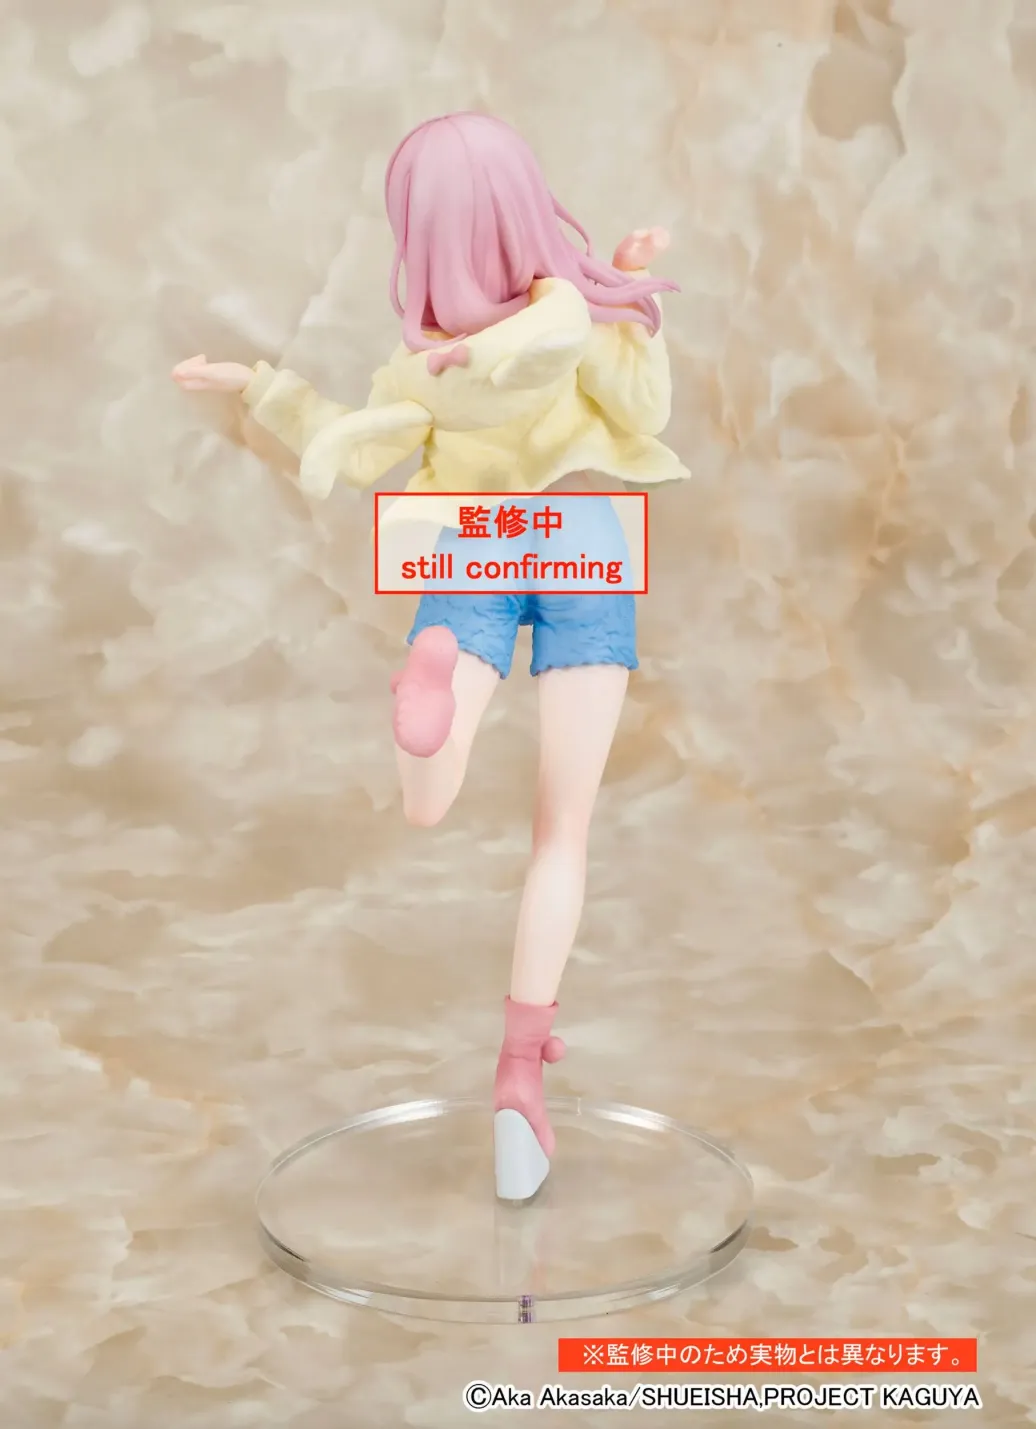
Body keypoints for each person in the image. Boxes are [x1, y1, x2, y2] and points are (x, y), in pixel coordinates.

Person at [173, 111, 690, 1202]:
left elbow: (351, 442)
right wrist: (630, 304)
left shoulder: (431, 366)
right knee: (562, 831)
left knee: (429, 801)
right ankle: (520, 1070)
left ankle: (434, 710)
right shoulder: (570, 323)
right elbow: (646, 406)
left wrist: (254, 384)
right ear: (525, 207)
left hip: (472, 544)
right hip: (585, 541)